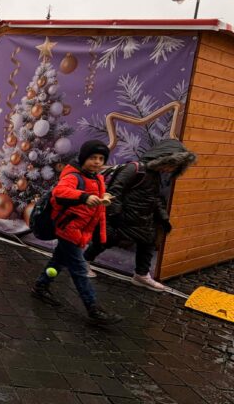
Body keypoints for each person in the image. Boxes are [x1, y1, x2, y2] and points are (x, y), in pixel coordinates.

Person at [84, 139, 196, 291]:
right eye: (171, 164)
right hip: (122, 218)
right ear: (163, 158)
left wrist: (163, 217)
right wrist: (115, 217)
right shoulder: (135, 168)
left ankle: (141, 275)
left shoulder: (155, 175)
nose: (170, 169)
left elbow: (154, 198)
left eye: (174, 167)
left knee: (147, 243)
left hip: (141, 220)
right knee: (104, 241)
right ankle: (83, 262)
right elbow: (114, 192)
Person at [32, 140, 122, 325]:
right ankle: (93, 307)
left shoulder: (97, 178)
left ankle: (41, 286)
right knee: (80, 270)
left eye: (101, 158)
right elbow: (60, 192)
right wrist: (84, 197)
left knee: (58, 261)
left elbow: (99, 211)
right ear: (83, 158)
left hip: (80, 230)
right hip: (69, 230)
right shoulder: (74, 176)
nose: (97, 162)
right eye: (92, 158)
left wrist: (103, 198)